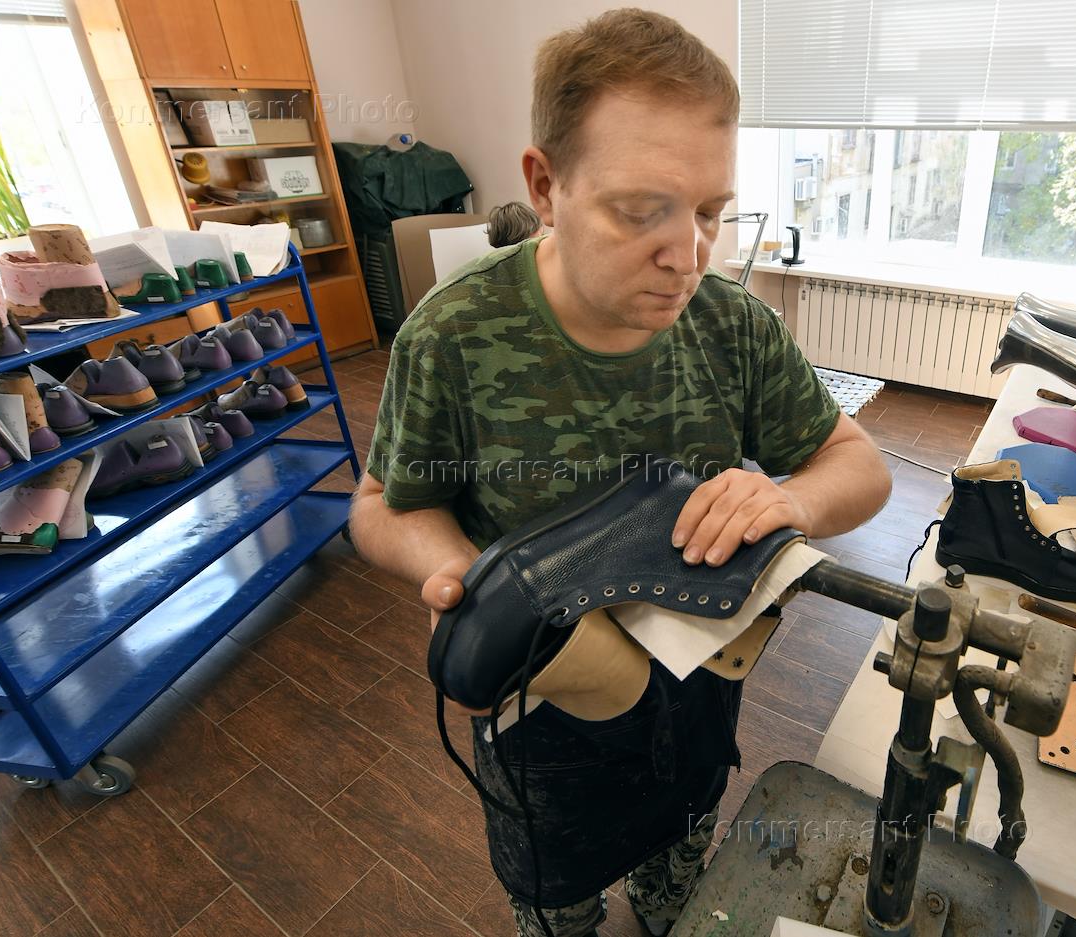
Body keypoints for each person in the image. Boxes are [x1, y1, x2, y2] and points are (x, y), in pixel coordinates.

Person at [351, 9, 892, 936]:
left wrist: (789, 496)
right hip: (542, 698)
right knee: (554, 894)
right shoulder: (454, 334)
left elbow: (859, 465)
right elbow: (380, 505)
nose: (687, 256)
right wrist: (458, 575)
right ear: (545, 185)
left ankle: (667, 893)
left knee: (683, 844)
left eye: (710, 212)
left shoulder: (732, 326)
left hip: (701, 671)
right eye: (641, 212)